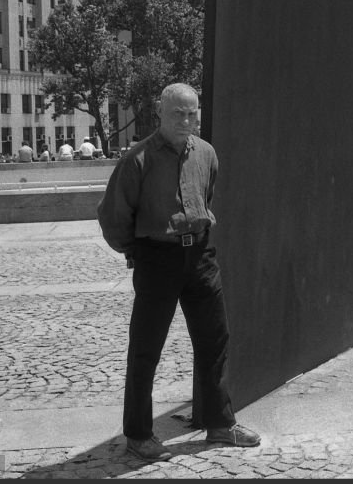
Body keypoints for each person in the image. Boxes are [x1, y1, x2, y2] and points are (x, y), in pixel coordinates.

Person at [97, 83, 260, 461]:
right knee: (146, 349)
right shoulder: (137, 160)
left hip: (201, 256)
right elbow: (114, 217)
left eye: (192, 113)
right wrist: (136, 251)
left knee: (214, 340)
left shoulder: (206, 153)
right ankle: (138, 434)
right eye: (178, 113)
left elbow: (207, 195)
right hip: (157, 259)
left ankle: (220, 424)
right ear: (160, 112)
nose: (186, 120)